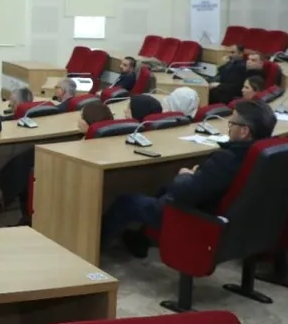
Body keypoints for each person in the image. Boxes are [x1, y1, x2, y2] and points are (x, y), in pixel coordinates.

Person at [101, 100, 277, 257]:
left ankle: (95, 251)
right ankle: (141, 239)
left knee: (126, 202)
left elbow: (183, 192)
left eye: (232, 123)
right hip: (225, 215)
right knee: (162, 188)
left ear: (245, 131)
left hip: (195, 215)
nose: (228, 127)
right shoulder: (260, 155)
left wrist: (186, 175)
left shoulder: (227, 159)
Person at [0, 101, 114, 221]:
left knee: (27, 167)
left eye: (81, 117)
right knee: (31, 154)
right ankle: (2, 196)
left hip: (64, 174)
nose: (78, 120)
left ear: (89, 123)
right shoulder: (104, 138)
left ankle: (13, 207)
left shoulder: (88, 148)